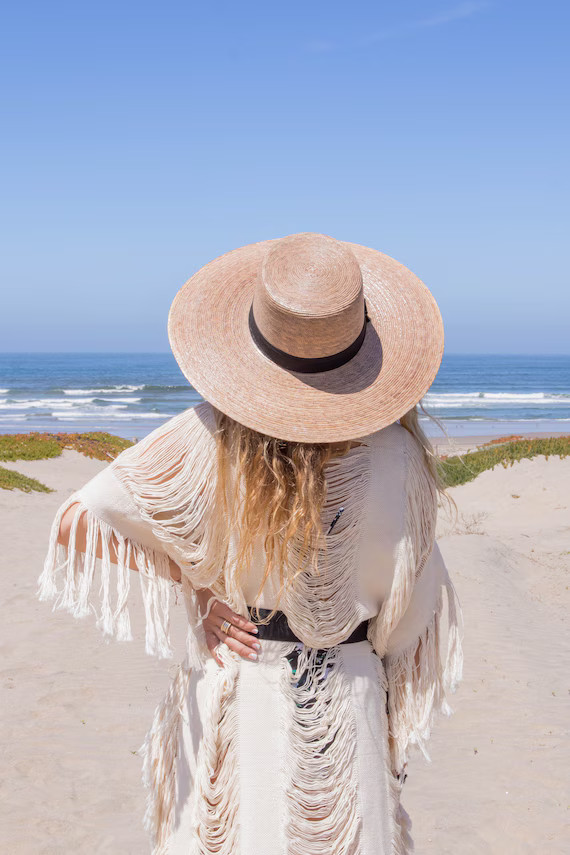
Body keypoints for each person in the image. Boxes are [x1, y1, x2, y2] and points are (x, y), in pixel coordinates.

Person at [37, 232, 463, 855]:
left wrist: (200, 585)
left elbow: (79, 520)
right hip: (349, 706)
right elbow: (407, 626)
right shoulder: (402, 461)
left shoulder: (208, 438)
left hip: (241, 691)